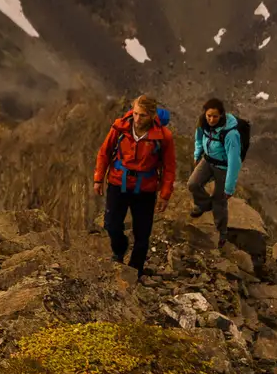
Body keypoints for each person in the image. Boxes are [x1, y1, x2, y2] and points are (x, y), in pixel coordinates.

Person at [93, 94, 175, 279]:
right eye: (136, 113)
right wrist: (98, 178)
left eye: (143, 115)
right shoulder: (120, 128)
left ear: (152, 115)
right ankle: (119, 250)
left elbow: (169, 167)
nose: (137, 119)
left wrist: (165, 195)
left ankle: (135, 271)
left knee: (142, 234)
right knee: (111, 225)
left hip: (145, 189)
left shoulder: (163, 137)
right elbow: (104, 153)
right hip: (118, 182)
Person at [187, 98, 242, 245]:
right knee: (193, 184)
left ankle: (222, 232)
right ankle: (205, 204)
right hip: (208, 160)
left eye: (215, 116)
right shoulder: (203, 122)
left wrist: (229, 187)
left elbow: (234, 162)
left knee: (220, 201)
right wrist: (197, 154)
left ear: (222, 115)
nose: (211, 119)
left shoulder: (231, 134)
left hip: (223, 167)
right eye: (209, 115)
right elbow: (198, 138)